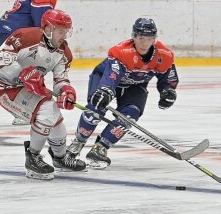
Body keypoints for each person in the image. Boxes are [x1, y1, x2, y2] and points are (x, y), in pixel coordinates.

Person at [65, 18, 179, 168]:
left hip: (135, 85)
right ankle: (78, 143)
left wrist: (167, 91)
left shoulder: (164, 55)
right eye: (141, 38)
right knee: (96, 108)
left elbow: (168, 78)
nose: (144, 43)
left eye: (149, 38)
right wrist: (105, 90)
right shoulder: (122, 52)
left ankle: (101, 148)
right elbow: (112, 76)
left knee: (130, 116)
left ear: (154, 39)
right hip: (105, 78)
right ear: (134, 36)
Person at [0, 9, 87, 180]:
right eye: (60, 31)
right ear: (48, 29)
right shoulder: (24, 37)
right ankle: (33, 157)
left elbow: (61, 80)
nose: (64, 36)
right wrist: (21, 74)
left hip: (30, 90)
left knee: (54, 116)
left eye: (67, 31)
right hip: (7, 90)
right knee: (47, 111)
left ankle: (59, 157)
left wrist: (66, 92)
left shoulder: (64, 53)